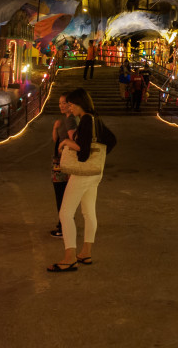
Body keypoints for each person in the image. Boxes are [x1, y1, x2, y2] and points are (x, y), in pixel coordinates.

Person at [49, 88, 113, 272]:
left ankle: (70, 257)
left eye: (70, 104)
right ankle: (86, 252)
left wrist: (66, 143)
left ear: (78, 104)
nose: (69, 107)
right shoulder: (95, 117)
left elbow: (83, 153)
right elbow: (112, 140)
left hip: (83, 173)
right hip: (95, 173)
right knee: (88, 212)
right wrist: (99, 156)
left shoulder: (85, 119)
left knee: (65, 213)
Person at [49, 94, 78, 238]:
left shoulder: (71, 121)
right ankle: (63, 224)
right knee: (61, 194)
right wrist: (55, 128)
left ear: (71, 104)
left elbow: (73, 141)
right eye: (60, 103)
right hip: (59, 162)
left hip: (63, 164)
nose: (61, 105)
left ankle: (64, 227)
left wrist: (65, 144)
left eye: (64, 103)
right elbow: (56, 140)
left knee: (62, 195)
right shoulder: (64, 120)